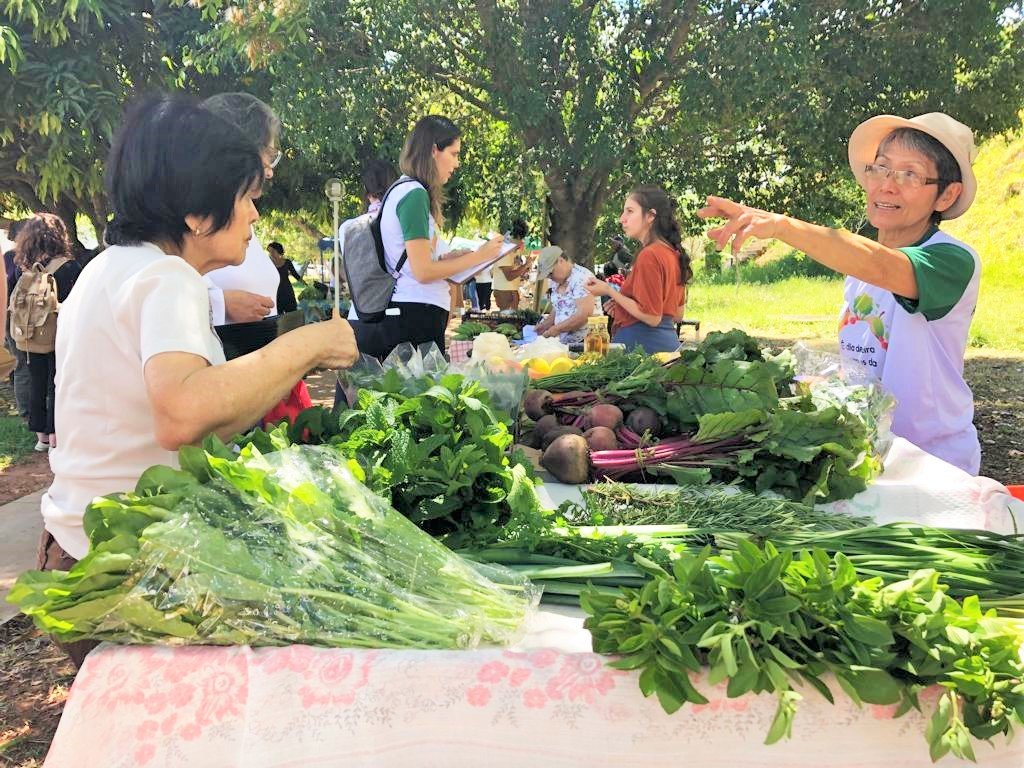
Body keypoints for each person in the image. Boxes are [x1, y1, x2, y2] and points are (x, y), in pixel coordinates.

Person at [40, 94, 358, 667]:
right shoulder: (166, 277)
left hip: (81, 546)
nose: (256, 216)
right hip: (128, 566)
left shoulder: (108, 270)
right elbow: (183, 414)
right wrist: (308, 343)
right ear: (195, 210)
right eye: (246, 197)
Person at [698, 112, 981, 474]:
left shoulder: (951, 260)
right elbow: (868, 367)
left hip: (932, 464)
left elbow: (882, 266)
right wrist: (825, 384)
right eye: (880, 168)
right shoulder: (857, 272)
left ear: (947, 194)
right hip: (867, 457)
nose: (887, 185)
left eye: (909, 173)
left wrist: (782, 226)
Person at [349, 115, 506, 361]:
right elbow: (422, 271)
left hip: (409, 315)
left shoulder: (406, 191)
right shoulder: (414, 194)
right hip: (412, 318)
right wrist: (480, 256)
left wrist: (451, 258)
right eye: (454, 154)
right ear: (434, 150)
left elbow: (417, 262)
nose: (457, 163)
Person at [201, 93, 281, 328]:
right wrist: (219, 303)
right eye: (269, 155)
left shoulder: (241, 213)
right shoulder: (190, 217)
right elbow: (164, 296)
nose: (270, 171)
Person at [586, 185, 692, 354]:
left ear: (650, 215)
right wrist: (622, 307)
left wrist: (609, 290)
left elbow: (652, 317)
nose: (622, 219)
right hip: (666, 349)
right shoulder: (673, 254)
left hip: (641, 353)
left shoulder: (650, 255)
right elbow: (677, 315)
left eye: (629, 211)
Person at [13, 214, 82, 452]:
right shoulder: (68, 266)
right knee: (57, 383)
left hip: (29, 335)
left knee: (36, 381)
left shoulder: (24, 266)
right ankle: (56, 436)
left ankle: (41, 437)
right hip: (59, 333)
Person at [534, 246, 597, 345]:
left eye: (550, 273)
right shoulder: (556, 281)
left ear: (561, 261)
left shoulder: (582, 278)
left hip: (586, 342)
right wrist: (545, 325)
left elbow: (584, 315)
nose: (550, 277)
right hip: (565, 342)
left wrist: (556, 329)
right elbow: (559, 307)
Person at [3, 219, 31, 418]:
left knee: (20, 364)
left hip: (12, 318)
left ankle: (25, 409)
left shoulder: (9, 257)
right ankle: (26, 411)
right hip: (18, 318)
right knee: (22, 364)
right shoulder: (17, 258)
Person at [491, 218, 532, 310]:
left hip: (512, 290)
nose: (522, 241)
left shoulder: (515, 250)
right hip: (504, 291)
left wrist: (525, 268)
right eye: (520, 238)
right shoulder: (504, 251)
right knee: (507, 321)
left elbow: (516, 270)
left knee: (512, 321)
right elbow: (509, 276)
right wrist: (525, 265)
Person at [268, 241, 302, 314]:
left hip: (287, 291)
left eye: (272, 251)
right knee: (278, 316)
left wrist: (306, 284)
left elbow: (295, 274)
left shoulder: (287, 262)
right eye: (269, 251)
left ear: (278, 250)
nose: (270, 253)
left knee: (292, 314)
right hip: (275, 292)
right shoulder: (268, 263)